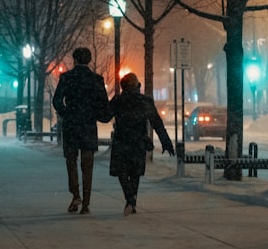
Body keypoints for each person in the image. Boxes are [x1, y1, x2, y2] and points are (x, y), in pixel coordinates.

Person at [52, 46, 112, 214]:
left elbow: (57, 101)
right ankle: (86, 202)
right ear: (89, 60)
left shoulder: (67, 78)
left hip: (72, 125)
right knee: (88, 165)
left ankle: (75, 193)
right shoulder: (96, 80)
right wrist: (99, 114)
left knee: (71, 161)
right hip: (88, 125)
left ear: (75, 60)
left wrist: (67, 113)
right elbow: (103, 105)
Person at [109, 73, 175, 216]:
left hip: (122, 140)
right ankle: (132, 201)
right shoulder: (145, 101)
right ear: (138, 86)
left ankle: (129, 198)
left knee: (122, 172)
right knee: (135, 173)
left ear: (123, 86)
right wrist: (166, 142)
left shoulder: (118, 101)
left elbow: (105, 115)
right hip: (138, 141)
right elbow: (157, 123)